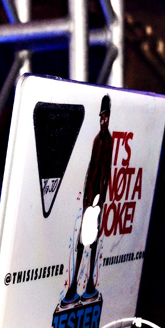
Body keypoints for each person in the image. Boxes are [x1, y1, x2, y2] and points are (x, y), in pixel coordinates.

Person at [63, 95, 113, 304]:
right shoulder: (97, 140)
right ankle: (75, 285)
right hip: (89, 198)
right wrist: (87, 196)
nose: (103, 121)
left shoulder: (107, 141)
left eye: (105, 118)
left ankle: (88, 284)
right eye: (101, 118)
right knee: (82, 242)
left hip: (97, 200)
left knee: (90, 241)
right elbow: (91, 168)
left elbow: (105, 171)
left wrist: (99, 198)